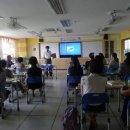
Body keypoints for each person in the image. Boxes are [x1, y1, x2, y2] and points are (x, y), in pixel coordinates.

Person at [81, 58, 107, 129]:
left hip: (87, 106)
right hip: (101, 106)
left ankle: (92, 119)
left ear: (90, 68)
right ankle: (93, 119)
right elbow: (104, 91)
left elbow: (82, 94)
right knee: (95, 100)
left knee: (85, 101)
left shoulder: (84, 78)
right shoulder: (105, 79)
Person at [119, 52, 130, 126]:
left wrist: (121, 90)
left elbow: (120, 73)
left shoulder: (123, 64)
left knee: (127, 98)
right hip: (127, 81)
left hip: (125, 82)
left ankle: (125, 119)